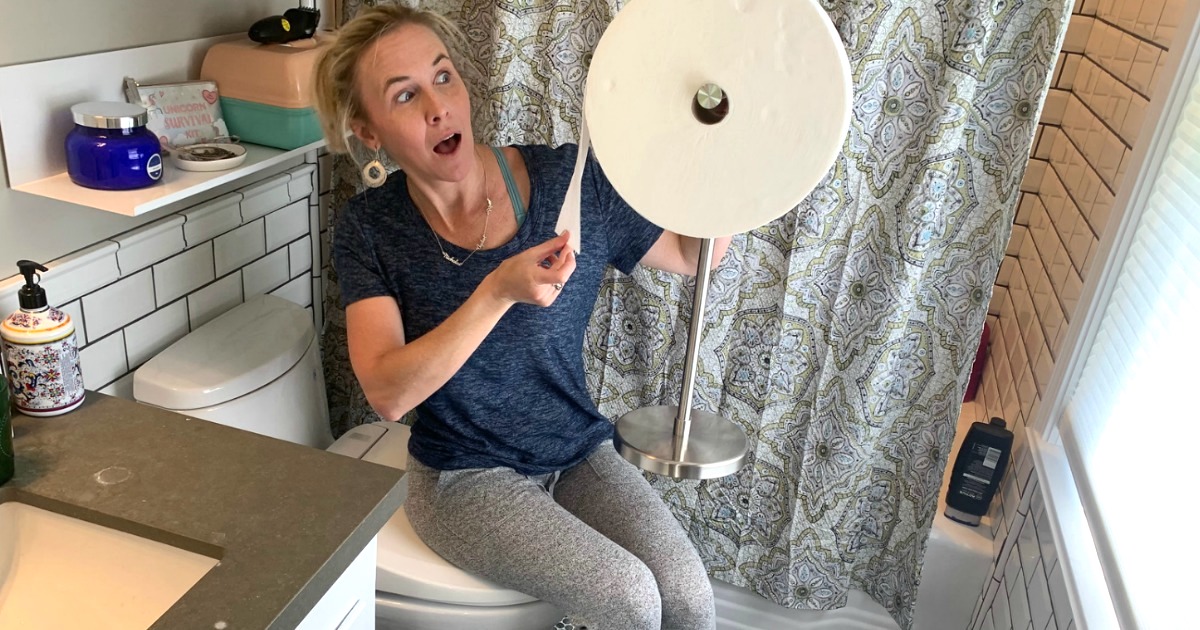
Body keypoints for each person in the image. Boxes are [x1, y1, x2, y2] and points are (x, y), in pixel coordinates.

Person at [313, 5, 731, 628]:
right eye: (405, 95)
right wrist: (495, 292)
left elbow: (693, 254)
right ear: (368, 131)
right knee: (628, 597)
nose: (438, 106)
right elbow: (388, 394)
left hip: (575, 450)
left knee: (689, 597)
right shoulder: (372, 228)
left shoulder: (568, 180)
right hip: (463, 476)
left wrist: (723, 152)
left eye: (444, 77)